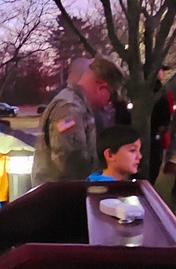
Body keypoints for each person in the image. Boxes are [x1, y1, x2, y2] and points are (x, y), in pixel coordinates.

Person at [32, 55, 126, 185]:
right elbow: (71, 164)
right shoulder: (70, 109)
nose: (108, 104)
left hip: (64, 194)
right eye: (111, 97)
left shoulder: (79, 106)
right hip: (59, 198)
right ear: (101, 87)